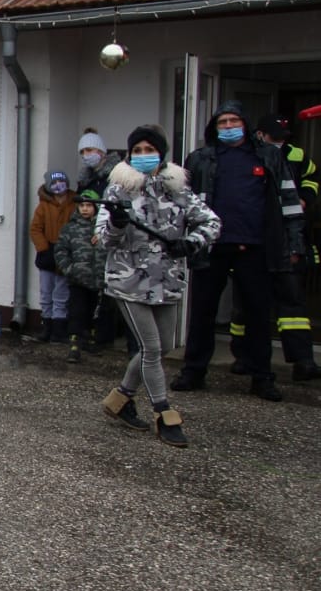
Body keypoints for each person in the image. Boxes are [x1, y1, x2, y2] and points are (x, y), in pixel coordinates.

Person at [172, 101, 305, 401]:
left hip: (255, 248)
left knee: (258, 315)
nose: (229, 126)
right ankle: (193, 371)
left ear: (245, 124)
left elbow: (289, 200)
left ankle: (262, 377)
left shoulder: (269, 156)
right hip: (211, 247)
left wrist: (294, 243)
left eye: (234, 121)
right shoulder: (200, 158)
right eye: (223, 122)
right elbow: (182, 204)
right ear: (215, 127)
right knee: (202, 313)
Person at [96, 125, 219, 447]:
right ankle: (164, 413)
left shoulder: (178, 189)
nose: (143, 155)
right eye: (137, 150)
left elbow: (211, 222)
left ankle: (121, 398)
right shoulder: (118, 190)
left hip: (167, 280)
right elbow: (103, 239)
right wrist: (116, 225)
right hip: (129, 280)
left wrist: (191, 243)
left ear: (161, 154)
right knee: (150, 349)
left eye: (149, 150)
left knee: (163, 346)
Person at [228, 113, 318, 383]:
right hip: (252, 240)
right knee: (244, 305)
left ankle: (303, 361)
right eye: (274, 137)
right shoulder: (247, 157)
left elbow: (312, 180)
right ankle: (243, 357)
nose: (279, 142)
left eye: (283, 138)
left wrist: (305, 199)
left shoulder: (296, 155)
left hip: (284, 239)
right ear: (260, 135)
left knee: (293, 305)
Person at [75, 129, 124, 352]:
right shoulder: (85, 179)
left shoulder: (115, 177)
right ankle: (87, 333)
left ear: (102, 151)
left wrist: (103, 230)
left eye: (90, 150)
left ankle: (105, 336)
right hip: (87, 240)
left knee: (107, 291)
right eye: (83, 151)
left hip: (108, 237)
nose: (87, 155)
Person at [55, 189, 104, 363]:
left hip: (98, 279)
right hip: (78, 279)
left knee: (95, 311)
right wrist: (70, 269)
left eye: (89, 205)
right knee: (77, 311)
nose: (85, 209)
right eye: (82, 205)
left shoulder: (103, 229)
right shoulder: (70, 228)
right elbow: (60, 251)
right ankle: (74, 344)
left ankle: (90, 339)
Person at [29, 169, 76, 342]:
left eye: (61, 181)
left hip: (67, 252)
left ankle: (59, 329)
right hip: (47, 253)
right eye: (54, 183)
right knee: (46, 292)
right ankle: (46, 326)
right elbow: (35, 229)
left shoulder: (75, 203)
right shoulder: (43, 206)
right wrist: (44, 248)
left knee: (62, 293)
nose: (58, 185)